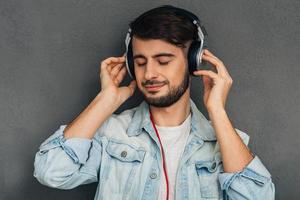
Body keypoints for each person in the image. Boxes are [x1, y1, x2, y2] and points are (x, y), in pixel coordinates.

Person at [33, 5, 275, 200]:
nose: (149, 74)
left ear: (193, 61)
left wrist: (217, 111)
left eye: (163, 60)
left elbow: (259, 196)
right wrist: (105, 101)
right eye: (140, 62)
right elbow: (51, 172)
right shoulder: (110, 134)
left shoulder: (226, 141)